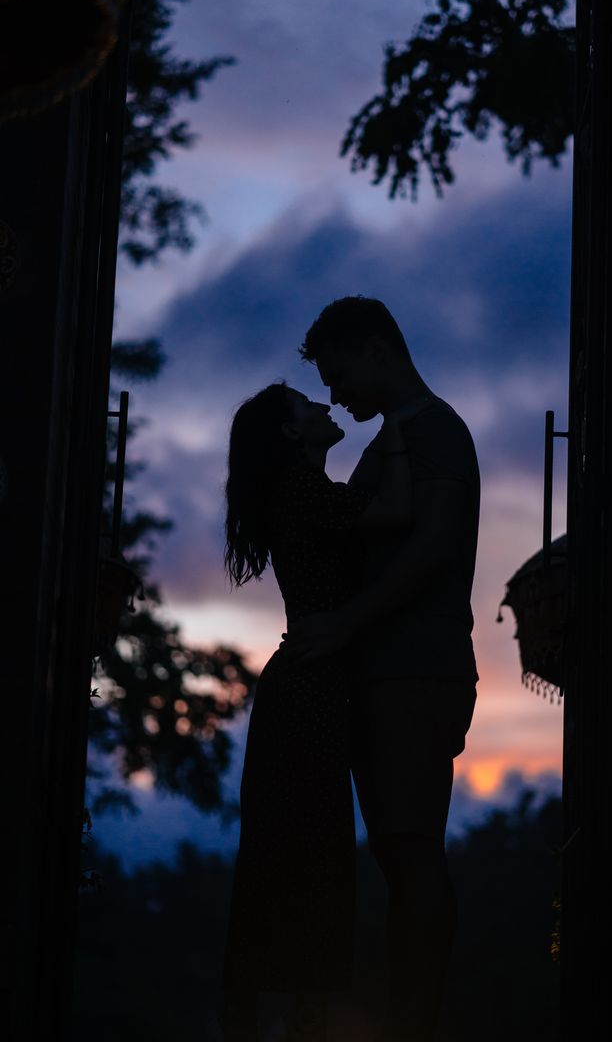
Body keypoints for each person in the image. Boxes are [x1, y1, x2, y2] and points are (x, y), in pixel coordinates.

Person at [286, 296, 480, 1042]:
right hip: (386, 672)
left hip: (414, 671)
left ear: (376, 350)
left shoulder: (437, 433)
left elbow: (433, 550)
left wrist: (343, 624)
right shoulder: (395, 440)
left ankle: (414, 1023)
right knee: (401, 856)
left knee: (411, 850)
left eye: (339, 378)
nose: (336, 396)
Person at [221, 381, 414, 1042]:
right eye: (309, 407)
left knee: (295, 856)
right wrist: (401, 425)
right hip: (309, 691)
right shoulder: (304, 494)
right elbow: (393, 511)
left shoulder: (304, 494)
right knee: (310, 857)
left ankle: (288, 1015)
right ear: (289, 433)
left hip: (306, 688)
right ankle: (303, 1017)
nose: (327, 409)